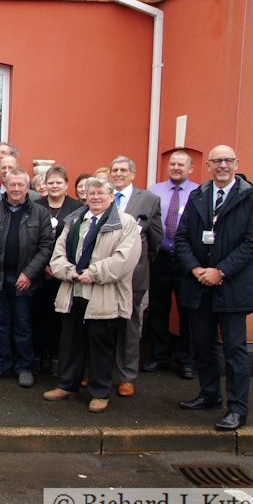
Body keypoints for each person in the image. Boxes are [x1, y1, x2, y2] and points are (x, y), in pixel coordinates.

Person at [177, 145, 253, 431]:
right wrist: (196, 269)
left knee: (234, 350)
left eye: (228, 160)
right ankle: (209, 394)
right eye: (217, 161)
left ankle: (238, 409)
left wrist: (221, 271)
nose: (222, 165)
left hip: (232, 286)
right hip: (199, 284)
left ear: (236, 163)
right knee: (202, 346)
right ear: (209, 166)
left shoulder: (252, 197)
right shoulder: (198, 196)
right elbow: (182, 238)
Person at [43, 177, 142, 413]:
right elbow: (58, 255)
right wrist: (70, 272)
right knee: (70, 342)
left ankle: (99, 392)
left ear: (111, 196)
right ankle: (68, 384)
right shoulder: (75, 220)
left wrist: (94, 273)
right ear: (85, 196)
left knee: (100, 345)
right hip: (73, 290)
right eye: (91, 193)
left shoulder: (125, 223)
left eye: (101, 193)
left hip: (104, 294)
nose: (96, 197)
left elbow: (125, 259)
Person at [0, 169, 54, 388]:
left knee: (23, 324)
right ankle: (1, 364)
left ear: (28, 187)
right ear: (5, 186)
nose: (16, 189)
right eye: (12, 184)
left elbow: (46, 248)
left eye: (21, 185)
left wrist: (29, 273)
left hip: (24, 279)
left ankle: (25, 367)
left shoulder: (40, 212)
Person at [108, 155, 161, 398]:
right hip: (105, 275)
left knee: (129, 327)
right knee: (102, 325)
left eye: (123, 170)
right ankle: (101, 372)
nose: (118, 174)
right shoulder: (103, 195)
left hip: (134, 276)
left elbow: (155, 241)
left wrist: (137, 262)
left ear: (132, 174)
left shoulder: (148, 200)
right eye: (114, 170)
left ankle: (127, 376)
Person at [143, 150, 198, 378]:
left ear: (190, 168)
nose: (176, 168)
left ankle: (186, 360)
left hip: (188, 259)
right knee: (158, 307)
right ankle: (159, 356)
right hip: (161, 256)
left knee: (187, 310)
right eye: (173, 164)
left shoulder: (199, 192)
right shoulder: (155, 191)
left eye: (181, 165)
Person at [32, 165, 83, 377]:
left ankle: (56, 357)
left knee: (59, 319)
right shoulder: (35, 205)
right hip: (36, 270)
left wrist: (58, 267)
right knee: (36, 315)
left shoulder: (77, 207)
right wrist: (42, 265)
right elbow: (30, 239)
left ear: (66, 185)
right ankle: (36, 356)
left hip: (63, 273)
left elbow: (78, 241)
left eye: (58, 183)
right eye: (50, 182)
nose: (54, 186)